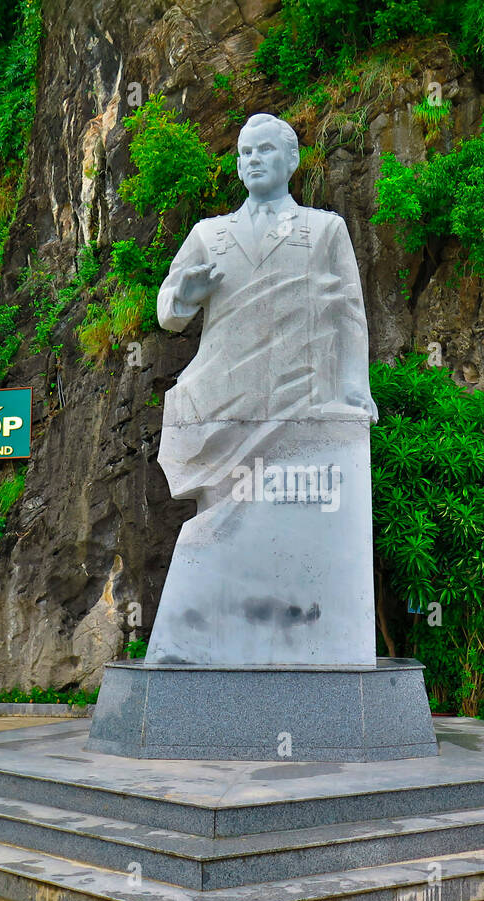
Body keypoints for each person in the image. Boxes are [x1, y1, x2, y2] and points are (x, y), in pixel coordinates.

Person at [145, 113, 378, 666]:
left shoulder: (325, 230)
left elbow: (349, 314)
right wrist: (185, 292)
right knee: (223, 529)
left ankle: (300, 640)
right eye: (245, 152)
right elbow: (166, 315)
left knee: (285, 530)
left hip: (300, 401)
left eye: (265, 151)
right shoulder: (210, 234)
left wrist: (354, 387)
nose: (252, 160)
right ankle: (218, 643)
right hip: (227, 403)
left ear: (292, 161)